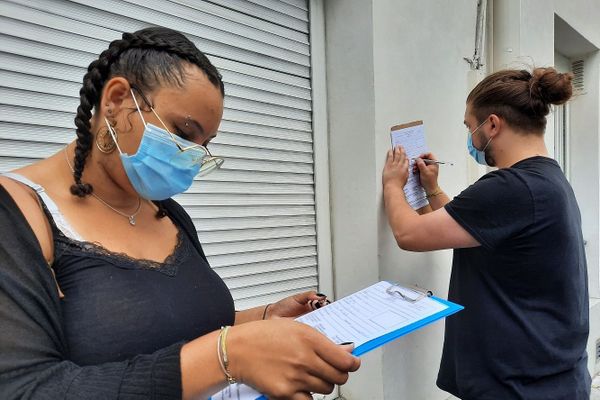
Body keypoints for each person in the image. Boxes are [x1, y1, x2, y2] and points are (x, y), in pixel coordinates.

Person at [0, 27, 360, 400]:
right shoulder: (17, 217)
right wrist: (231, 353)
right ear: (117, 99)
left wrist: (265, 321)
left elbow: (171, 333)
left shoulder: (166, 214)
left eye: (205, 145)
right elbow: (23, 388)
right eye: (184, 133)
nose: (191, 156)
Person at [382, 67, 589, 399]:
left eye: (469, 125)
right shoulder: (546, 181)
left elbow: (409, 235)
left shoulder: (513, 187)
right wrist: (432, 189)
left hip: (520, 387)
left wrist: (393, 184)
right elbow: (475, 227)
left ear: (492, 124)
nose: (470, 136)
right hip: (546, 379)